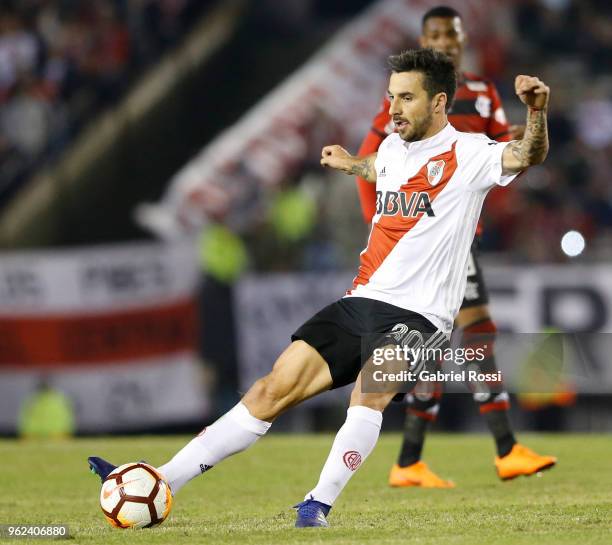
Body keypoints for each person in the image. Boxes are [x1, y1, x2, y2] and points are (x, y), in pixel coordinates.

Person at [89, 48, 550, 528]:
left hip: (422, 317)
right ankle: (162, 480)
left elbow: (528, 153)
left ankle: (316, 505)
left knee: (367, 397)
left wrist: (536, 109)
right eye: (391, 96)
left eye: (406, 98)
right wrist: (354, 164)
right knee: (270, 390)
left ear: (438, 103)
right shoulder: (394, 148)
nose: (393, 108)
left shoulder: (471, 154)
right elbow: (383, 168)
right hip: (362, 302)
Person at [355, 5, 555, 488]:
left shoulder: (484, 93)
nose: (445, 42)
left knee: (440, 343)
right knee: (475, 332)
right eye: (436, 35)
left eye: (452, 34)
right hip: (429, 242)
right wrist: (384, 225)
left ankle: (410, 459)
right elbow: (373, 161)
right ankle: (504, 449)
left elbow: (505, 157)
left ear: (464, 41)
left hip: (463, 235)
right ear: (425, 41)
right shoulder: (406, 103)